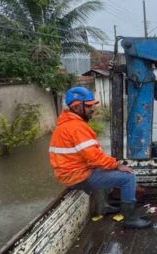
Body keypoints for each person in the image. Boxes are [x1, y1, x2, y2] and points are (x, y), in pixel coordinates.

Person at [49, 86, 151, 229]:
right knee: (128, 177)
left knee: (102, 166)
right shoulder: (77, 127)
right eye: (89, 106)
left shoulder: (64, 126)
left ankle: (102, 207)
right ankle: (130, 219)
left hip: (69, 175)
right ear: (78, 107)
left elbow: (91, 157)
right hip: (78, 176)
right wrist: (117, 165)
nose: (92, 109)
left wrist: (108, 163)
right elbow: (95, 157)